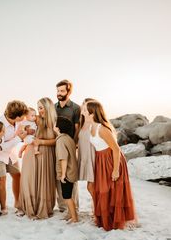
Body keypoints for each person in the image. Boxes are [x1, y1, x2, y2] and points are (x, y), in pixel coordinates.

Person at [86, 99, 138, 231]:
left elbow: (116, 149)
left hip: (111, 160)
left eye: (84, 110)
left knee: (111, 190)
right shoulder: (91, 126)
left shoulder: (102, 129)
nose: (82, 112)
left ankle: (114, 222)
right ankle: (104, 219)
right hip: (100, 160)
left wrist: (116, 170)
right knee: (102, 190)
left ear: (92, 113)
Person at [19, 97, 56, 219]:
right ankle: (27, 207)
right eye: (38, 108)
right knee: (28, 179)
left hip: (46, 154)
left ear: (47, 108)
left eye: (41, 108)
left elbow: (57, 140)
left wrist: (41, 142)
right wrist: (23, 134)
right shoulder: (34, 119)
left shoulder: (55, 122)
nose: (39, 111)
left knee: (43, 181)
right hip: (31, 151)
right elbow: (23, 132)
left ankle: (42, 207)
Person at [0, 100, 29, 215]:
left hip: (11, 155)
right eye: (23, 115)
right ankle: (3, 207)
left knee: (18, 176)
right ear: (16, 116)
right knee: (1, 180)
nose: (25, 117)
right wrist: (19, 138)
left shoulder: (18, 122)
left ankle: (17, 203)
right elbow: (0, 147)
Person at [55, 79, 80, 212]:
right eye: (58, 91)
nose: (59, 93)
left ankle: (74, 206)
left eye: (62, 91)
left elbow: (77, 128)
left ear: (68, 92)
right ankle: (63, 207)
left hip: (69, 144)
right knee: (60, 174)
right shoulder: (53, 107)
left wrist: (74, 144)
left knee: (70, 175)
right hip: (56, 144)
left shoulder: (75, 108)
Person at [54, 117, 78, 223]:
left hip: (67, 173)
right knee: (69, 194)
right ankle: (70, 214)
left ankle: (74, 217)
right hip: (72, 171)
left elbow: (63, 158)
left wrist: (63, 174)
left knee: (67, 196)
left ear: (58, 128)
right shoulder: (69, 138)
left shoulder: (61, 140)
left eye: (55, 124)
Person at [78, 100, 96, 219]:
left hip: (92, 156)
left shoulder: (93, 123)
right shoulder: (82, 122)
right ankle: (95, 208)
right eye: (82, 105)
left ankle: (97, 209)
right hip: (83, 155)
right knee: (91, 186)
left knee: (91, 186)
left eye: (84, 106)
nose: (82, 107)